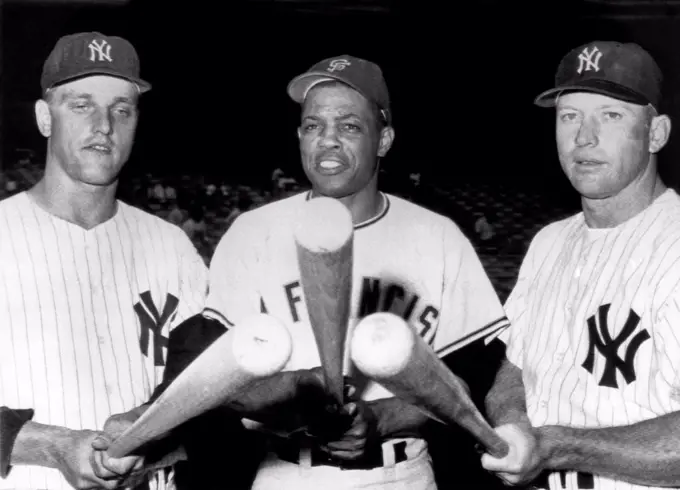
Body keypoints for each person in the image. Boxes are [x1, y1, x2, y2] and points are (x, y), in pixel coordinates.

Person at [145, 54, 510, 490]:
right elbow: (217, 383)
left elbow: (466, 385)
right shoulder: (252, 233)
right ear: (300, 135)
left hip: (402, 474)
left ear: (384, 138)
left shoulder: (438, 236)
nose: (328, 140)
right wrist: (297, 397)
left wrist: (381, 418)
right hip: (284, 471)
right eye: (314, 125)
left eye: (350, 126)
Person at [0, 31, 209, 489]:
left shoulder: (172, 246)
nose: (104, 125)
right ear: (44, 118)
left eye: (122, 109)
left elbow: (210, 399)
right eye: (81, 105)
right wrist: (53, 445)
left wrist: (152, 448)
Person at [480, 41, 680, 490]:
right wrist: (512, 423)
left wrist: (557, 447)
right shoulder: (548, 243)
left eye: (611, 115)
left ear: (656, 133)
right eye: (569, 116)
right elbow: (515, 368)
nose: (583, 137)